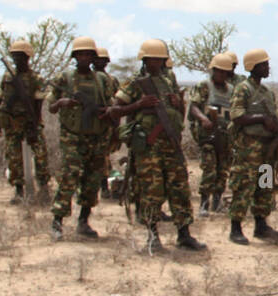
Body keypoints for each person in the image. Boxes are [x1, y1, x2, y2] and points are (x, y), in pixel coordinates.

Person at [107, 39, 203, 251]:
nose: (156, 63)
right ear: (144, 60)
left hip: (171, 143)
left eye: (160, 60)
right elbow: (113, 111)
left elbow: (178, 112)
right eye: (152, 60)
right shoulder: (135, 83)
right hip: (149, 147)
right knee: (152, 190)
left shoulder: (168, 81)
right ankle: (152, 235)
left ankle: (184, 234)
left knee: (180, 188)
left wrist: (178, 104)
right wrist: (139, 105)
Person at [48, 36, 116, 240]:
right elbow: (51, 106)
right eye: (81, 54)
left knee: (93, 179)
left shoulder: (103, 80)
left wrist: (106, 113)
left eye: (89, 54)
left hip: (97, 136)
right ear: (75, 57)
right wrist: (62, 102)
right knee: (70, 175)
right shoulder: (65, 78)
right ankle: (57, 221)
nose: (85, 58)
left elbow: (112, 105)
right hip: (72, 136)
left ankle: (83, 221)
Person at [226, 49, 278, 245]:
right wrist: (261, 119)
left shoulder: (267, 92)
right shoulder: (243, 89)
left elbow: (274, 120)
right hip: (248, 147)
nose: (268, 68)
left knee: (265, 186)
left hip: (267, 148)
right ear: (253, 66)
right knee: (243, 186)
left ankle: (261, 225)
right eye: (264, 65)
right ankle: (236, 228)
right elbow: (236, 115)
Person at [0, 39, 51, 203]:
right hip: (12, 123)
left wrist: (34, 126)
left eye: (21, 56)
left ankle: (43, 187)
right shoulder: (7, 76)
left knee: (41, 155)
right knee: (14, 157)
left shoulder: (36, 78)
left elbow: (38, 104)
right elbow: (0, 100)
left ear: (28, 57)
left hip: (31, 121)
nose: (18, 60)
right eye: (15, 56)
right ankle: (18, 190)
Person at [188, 53, 236, 216]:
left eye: (225, 72)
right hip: (208, 136)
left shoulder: (231, 90)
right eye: (219, 71)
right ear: (213, 71)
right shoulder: (204, 86)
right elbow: (193, 106)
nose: (221, 75)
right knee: (209, 169)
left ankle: (217, 202)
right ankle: (203, 203)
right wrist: (203, 119)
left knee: (223, 171)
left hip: (225, 136)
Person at [94, 47, 120, 198]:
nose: (100, 62)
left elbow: (118, 104)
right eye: (97, 59)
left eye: (103, 60)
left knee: (104, 156)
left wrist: (116, 126)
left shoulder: (112, 80)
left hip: (107, 124)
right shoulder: (87, 79)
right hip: (89, 125)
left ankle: (104, 187)